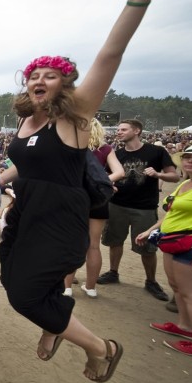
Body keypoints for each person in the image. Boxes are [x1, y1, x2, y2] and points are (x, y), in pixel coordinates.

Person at [0, 0, 191, 383]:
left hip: (61, 221)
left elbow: (111, 53)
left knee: (23, 296)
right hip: (26, 215)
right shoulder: (26, 123)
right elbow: (20, 166)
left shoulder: (74, 118)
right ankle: (58, 319)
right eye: (33, 75)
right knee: (10, 278)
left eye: (51, 74)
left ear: (66, 84)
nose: (39, 79)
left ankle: (103, 347)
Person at [138, 142, 192, 360]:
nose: (190, 160)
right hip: (173, 241)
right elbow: (171, 214)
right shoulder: (186, 184)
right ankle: (185, 326)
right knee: (177, 287)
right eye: (187, 156)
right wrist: (150, 230)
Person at [98, 119, 177, 302]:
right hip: (117, 204)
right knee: (114, 241)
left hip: (144, 207)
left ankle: (151, 281)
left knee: (147, 247)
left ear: (137, 131)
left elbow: (174, 176)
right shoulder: (116, 154)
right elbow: (106, 175)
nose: (118, 132)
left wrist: (158, 174)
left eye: (123, 129)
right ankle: (113, 272)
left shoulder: (156, 151)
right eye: (118, 129)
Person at [64, 119, 124, 297]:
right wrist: (102, 183)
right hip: (98, 200)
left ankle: (66, 287)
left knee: (72, 243)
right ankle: (90, 288)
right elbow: (120, 172)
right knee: (94, 246)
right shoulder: (105, 149)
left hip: (75, 199)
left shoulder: (71, 146)